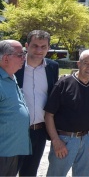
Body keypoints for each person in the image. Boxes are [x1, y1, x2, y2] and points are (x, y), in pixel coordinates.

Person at [45, 49, 89, 177]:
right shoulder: (64, 84)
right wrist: (56, 140)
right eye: (86, 63)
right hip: (65, 140)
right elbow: (49, 114)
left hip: (88, 140)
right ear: (78, 64)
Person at [15, 30, 59, 177]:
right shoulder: (15, 66)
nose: (39, 50)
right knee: (8, 171)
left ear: (48, 48)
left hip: (39, 131)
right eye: (35, 46)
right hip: (16, 131)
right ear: (26, 46)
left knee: (30, 172)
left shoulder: (52, 67)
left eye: (43, 46)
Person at [0, 40, 30, 177]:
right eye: (20, 55)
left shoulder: (11, 76)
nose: (24, 58)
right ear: (6, 58)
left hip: (13, 150)